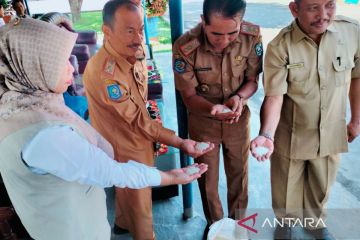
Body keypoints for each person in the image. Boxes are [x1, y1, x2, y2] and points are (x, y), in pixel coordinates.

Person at [0, 18, 209, 240]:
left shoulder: (32, 102)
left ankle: (121, 223)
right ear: (33, 66)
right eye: (61, 62)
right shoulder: (43, 133)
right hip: (78, 226)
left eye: (140, 29)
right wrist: (171, 173)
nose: (73, 67)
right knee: (141, 213)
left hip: (93, 195)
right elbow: (113, 168)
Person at [82, 1, 214, 239]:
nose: (138, 37)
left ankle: (122, 222)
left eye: (140, 28)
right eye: (129, 30)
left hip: (139, 134)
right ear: (107, 30)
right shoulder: (106, 74)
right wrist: (179, 141)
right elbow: (138, 121)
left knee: (127, 189)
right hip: (125, 143)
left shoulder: (134, 48)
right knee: (141, 204)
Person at [250, 0, 360, 239]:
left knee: (322, 186)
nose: (323, 15)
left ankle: (315, 223)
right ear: (294, 9)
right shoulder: (281, 46)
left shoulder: (351, 32)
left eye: (329, 5)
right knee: (286, 186)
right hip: (293, 133)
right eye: (313, 7)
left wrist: (356, 120)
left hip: (331, 130)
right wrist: (266, 134)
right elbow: (274, 96)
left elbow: (357, 77)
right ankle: (285, 223)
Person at [172, 0, 263, 237]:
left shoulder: (251, 37)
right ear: (203, 21)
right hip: (204, 123)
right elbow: (189, 96)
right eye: (216, 34)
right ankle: (215, 226)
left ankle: (238, 226)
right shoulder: (185, 46)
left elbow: (252, 80)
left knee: (239, 175)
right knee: (207, 179)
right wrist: (213, 109)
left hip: (237, 120)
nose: (223, 41)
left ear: (241, 22)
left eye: (232, 33)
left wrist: (239, 98)